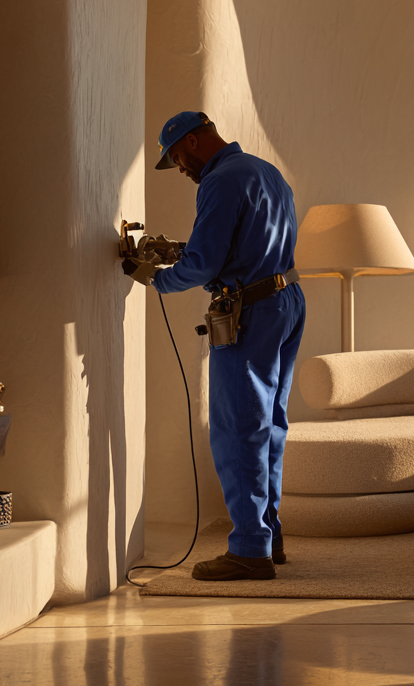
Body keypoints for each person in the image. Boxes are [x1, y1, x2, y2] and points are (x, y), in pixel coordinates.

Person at [124, 111, 305, 581]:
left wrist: (155, 278)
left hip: (249, 312)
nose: (179, 168)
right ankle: (269, 534)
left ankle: (249, 549)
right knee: (270, 423)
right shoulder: (266, 172)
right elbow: (243, 246)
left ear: (192, 142)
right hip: (285, 301)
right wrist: (179, 251)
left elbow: (205, 265)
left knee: (238, 427)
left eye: (176, 157)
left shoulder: (220, 181)